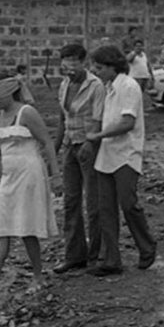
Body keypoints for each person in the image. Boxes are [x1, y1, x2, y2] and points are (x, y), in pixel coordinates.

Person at [0, 75, 59, 295]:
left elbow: (46, 141)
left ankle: (38, 276)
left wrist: (55, 175)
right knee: (2, 226)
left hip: (29, 173)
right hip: (8, 175)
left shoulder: (26, 112)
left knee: (27, 227)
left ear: (10, 92)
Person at [85, 45, 156, 277]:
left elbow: (127, 123)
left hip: (126, 153)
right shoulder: (109, 88)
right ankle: (111, 259)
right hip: (107, 154)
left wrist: (99, 136)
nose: (96, 71)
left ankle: (146, 246)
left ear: (112, 66)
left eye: (100, 67)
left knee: (128, 204)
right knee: (106, 209)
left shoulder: (128, 86)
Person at [52, 43, 105, 274]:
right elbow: (62, 119)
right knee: (70, 201)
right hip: (69, 147)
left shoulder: (95, 85)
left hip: (89, 147)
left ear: (84, 61)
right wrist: (54, 149)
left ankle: (97, 256)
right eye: (66, 60)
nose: (70, 65)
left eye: (74, 60)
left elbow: (99, 118)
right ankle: (74, 255)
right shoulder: (64, 84)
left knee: (93, 202)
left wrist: (90, 142)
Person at [127, 39, 154, 111]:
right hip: (136, 77)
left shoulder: (144, 55)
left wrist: (151, 74)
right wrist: (135, 53)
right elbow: (128, 60)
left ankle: (142, 109)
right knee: (135, 94)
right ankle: (134, 108)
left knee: (142, 94)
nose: (139, 48)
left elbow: (148, 65)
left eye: (140, 46)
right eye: (137, 46)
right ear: (134, 47)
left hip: (144, 77)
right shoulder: (132, 54)